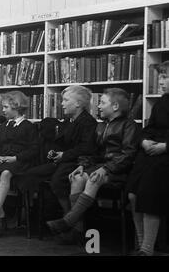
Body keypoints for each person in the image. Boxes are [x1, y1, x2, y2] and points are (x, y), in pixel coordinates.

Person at [46, 88, 138, 244]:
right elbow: (94, 151)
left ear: (115, 106)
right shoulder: (101, 126)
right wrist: (83, 165)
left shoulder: (129, 125)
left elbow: (128, 154)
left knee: (93, 180)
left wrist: (106, 168)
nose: (98, 106)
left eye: (102, 103)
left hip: (119, 169)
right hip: (100, 166)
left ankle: (68, 222)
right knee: (77, 178)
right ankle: (77, 230)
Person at [15, 85, 98, 217]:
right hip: (64, 160)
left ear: (78, 103)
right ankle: (31, 214)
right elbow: (63, 143)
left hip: (77, 162)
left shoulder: (88, 122)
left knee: (57, 181)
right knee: (31, 173)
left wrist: (63, 155)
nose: (62, 104)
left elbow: (86, 148)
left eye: (65, 100)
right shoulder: (69, 121)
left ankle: (69, 216)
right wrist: (54, 152)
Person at [0, 91, 39, 237]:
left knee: (5, 174)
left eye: (5, 107)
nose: (3, 110)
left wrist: (16, 158)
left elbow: (34, 149)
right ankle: (1, 217)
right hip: (3, 159)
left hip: (20, 162)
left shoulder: (29, 126)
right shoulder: (3, 125)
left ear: (16, 107)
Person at [127, 76, 169, 256]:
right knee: (132, 194)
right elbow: (150, 127)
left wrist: (165, 146)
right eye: (160, 77)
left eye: (166, 77)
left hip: (166, 153)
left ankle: (146, 248)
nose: (160, 82)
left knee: (148, 192)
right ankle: (141, 243)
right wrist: (144, 141)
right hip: (151, 150)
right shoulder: (162, 102)